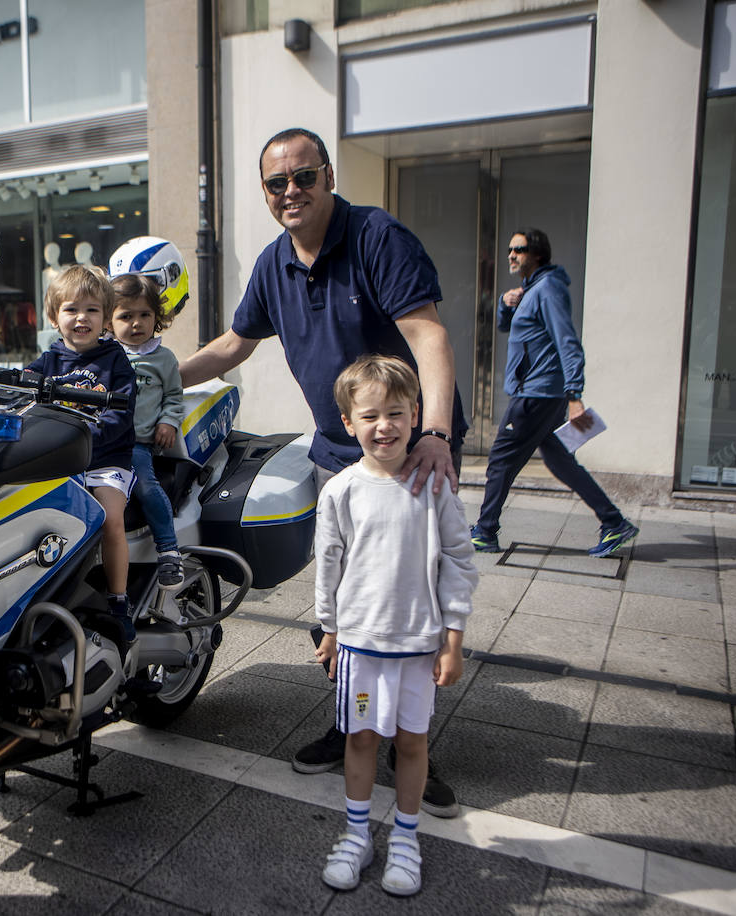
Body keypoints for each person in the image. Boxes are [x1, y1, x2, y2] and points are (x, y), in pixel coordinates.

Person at [178, 126, 467, 815]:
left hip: (405, 454)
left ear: (328, 175)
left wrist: (435, 432)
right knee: (343, 597)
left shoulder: (376, 237)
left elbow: (428, 334)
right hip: (340, 457)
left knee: (411, 605)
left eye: (303, 177)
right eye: (277, 183)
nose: (291, 192)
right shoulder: (275, 264)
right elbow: (231, 346)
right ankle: (350, 725)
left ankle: (411, 746)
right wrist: (150, 376)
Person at [314, 355, 476, 896]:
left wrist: (452, 641)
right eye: (370, 415)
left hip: (418, 648)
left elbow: (458, 561)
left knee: (412, 743)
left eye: (395, 413)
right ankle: (356, 834)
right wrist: (329, 630)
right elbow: (329, 563)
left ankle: (406, 838)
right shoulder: (340, 490)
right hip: (360, 646)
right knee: (359, 738)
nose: (383, 426)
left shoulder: (434, 486)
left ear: (415, 416)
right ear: (349, 422)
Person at [471, 229, 638, 558]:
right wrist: (507, 305)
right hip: (540, 390)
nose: (511, 255)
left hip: (538, 393)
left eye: (518, 249)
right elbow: (511, 329)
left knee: (501, 459)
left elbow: (567, 341)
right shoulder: (532, 289)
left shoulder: (547, 288)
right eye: (509, 249)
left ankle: (485, 531)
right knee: (559, 460)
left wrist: (575, 394)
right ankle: (614, 522)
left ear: (537, 254)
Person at [28, 265, 138, 639]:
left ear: (106, 318)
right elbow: (21, 394)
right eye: (71, 309)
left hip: (105, 460)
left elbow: (119, 416)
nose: (81, 318)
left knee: (110, 519)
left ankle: (119, 600)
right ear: (53, 316)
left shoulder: (115, 361)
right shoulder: (48, 362)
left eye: (92, 310)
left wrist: (81, 437)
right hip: (61, 460)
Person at [110, 272, 185, 590]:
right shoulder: (104, 356)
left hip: (136, 445)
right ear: (108, 320)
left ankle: (168, 549)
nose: (136, 323)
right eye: (125, 316)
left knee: (146, 486)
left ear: (157, 318)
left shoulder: (163, 358)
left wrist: (168, 421)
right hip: (99, 443)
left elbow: (174, 396)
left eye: (144, 315)